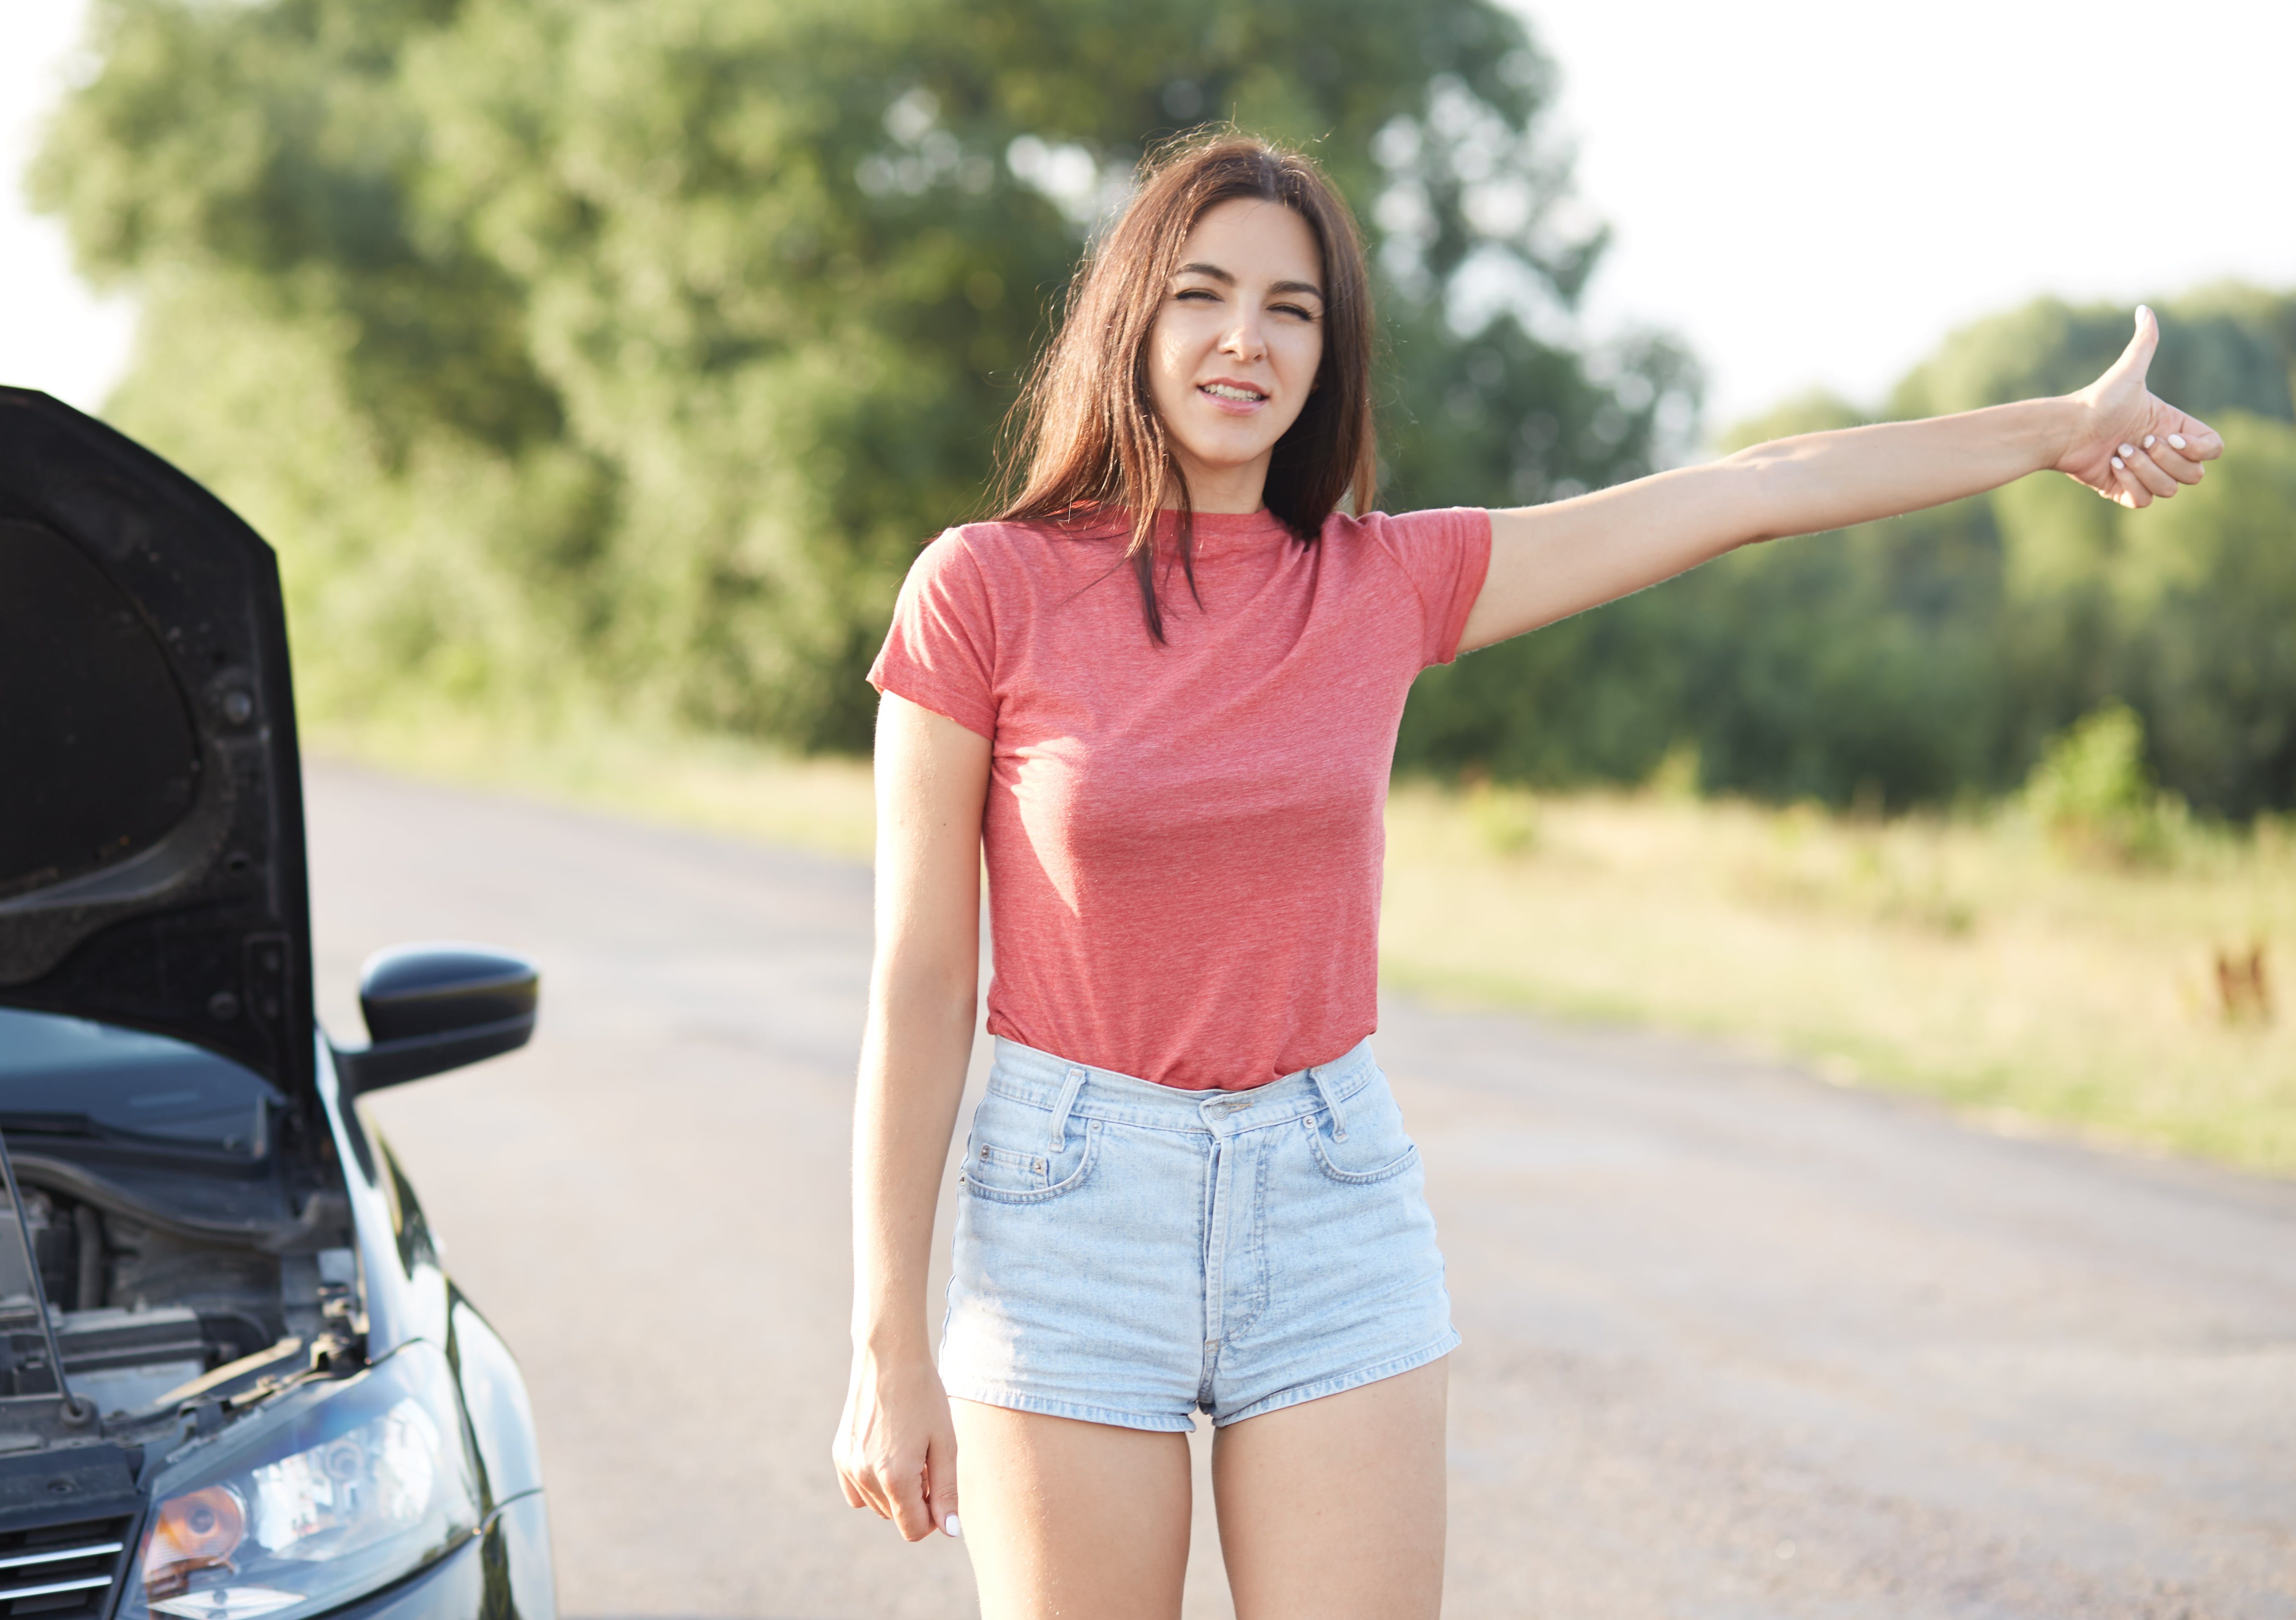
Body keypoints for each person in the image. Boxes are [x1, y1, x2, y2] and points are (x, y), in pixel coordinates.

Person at [830, 132, 2222, 1619]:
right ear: (1132, 319)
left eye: (1294, 309)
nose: (1247, 339)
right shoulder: (985, 588)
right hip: (1071, 1215)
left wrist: (2062, 429)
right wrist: (887, 1342)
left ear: (1331, 348)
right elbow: (922, 982)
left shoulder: (1385, 581)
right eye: (1204, 294)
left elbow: (1754, 484)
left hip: (1327, 1201)